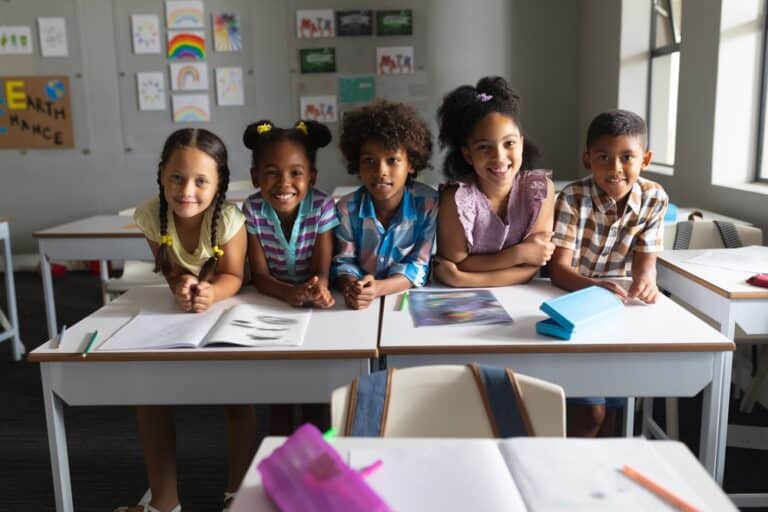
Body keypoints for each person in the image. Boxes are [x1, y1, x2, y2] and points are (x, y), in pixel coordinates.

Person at [117, 128, 255, 512]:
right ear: (161, 174)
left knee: (237, 401)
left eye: (200, 181)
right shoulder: (150, 216)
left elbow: (233, 276)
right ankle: (165, 501)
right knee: (150, 397)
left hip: (230, 311)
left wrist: (211, 292)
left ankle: (236, 496)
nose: (185, 190)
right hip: (179, 318)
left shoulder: (229, 218)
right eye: (176, 177)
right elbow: (171, 270)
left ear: (219, 183)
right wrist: (182, 284)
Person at [549, 109, 668, 437]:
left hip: (619, 311)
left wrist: (646, 283)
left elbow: (646, 267)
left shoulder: (655, 199)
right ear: (588, 159)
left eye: (627, 157)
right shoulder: (573, 197)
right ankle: (571, 474)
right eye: (604, 157)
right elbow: (558, 270)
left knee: (615, 412)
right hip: (573, 304)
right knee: (590, 413)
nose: (615, 168)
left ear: (645, 159)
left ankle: (602, 475)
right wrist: (594, 287)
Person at [434, 76, 555, 287]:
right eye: (484, 147)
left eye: (509, 143)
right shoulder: (456, 198)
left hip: (522, 300)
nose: (499, 157)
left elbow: (531, 268)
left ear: (521, 144)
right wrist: (519, 254)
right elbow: (456, 262)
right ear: (468, 154)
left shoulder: (539, 190)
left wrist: (463, 279)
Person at [332, 100, 438, 309]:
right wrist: (354, 287)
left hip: (401, 300)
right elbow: (344, 263)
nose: (381, 170)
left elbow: (419, 266)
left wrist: (379, 288)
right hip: (359, 307)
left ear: (412, 164)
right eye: (369, 160)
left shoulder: (428, 204)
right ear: (357, 164)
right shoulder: (346, 208)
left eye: (392, 160)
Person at [242, 120, 338, 308]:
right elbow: (259, 276)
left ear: (312, 176)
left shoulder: (322, 207)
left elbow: (322, 272)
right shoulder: (253, 210)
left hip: (310, 298)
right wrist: (288, 292)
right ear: (255, 177)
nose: (284, 183)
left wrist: (319, 290)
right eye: (272, 172)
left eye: (295, 172)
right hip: (270, 300)